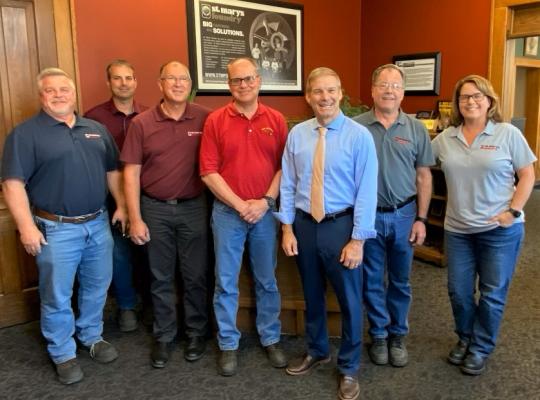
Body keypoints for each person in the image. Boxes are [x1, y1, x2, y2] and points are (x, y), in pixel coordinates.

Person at [0, 68, 126, 385]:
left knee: (97, 287)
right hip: (55, 229)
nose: (58, 95)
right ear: (41, 96)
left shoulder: (95, 129)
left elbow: (112, 172)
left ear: (73, 94)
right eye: (50, 90)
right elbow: (12, 184)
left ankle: (91, 336)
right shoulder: (25, 135)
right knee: (57, 294)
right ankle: (63, 352)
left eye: (64, 89)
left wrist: (122, 205)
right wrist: (27, 227)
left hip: (97, 224)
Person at [277, 67, 378, 400]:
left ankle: (348, 367)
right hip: (305, 226)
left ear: (341, 93)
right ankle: (317, 350)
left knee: (350, 300)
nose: (325, 97)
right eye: (319, 91)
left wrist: (358, 239)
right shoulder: (298, 135)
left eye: (332, 90)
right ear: (308, 96)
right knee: (312, 294)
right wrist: (287, 227)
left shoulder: (358, 136)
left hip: (341, 226)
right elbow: (289, 184)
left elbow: (367, 191)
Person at [432, 75, 536, 375]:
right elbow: (421, 164)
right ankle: (465, 338)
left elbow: (527, 174)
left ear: (490, 101)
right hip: (458, 230)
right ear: (457, 103)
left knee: (492, 294)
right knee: (459, 292)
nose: (471, 101)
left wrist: (513, 212)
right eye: (465, 97)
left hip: (500, 231)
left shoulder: (507, 134)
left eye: (478, 96)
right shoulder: (446, 138)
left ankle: (480, 347)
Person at [200, 57, 288, 377]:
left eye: (248, 79)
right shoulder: (215, 120)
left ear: (259, 81)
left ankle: (271, 338)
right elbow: (208, 172)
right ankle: (227, 343)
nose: (243, 85)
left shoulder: (276, 119)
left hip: (265, 213)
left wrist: (265, 201)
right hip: (228, 213)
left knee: (267, 280)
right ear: (229, 85)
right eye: (237, 80)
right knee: (225, 282)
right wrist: (240, 204)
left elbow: (284, 167)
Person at [121, 61, 211, 368]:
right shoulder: (142, 123)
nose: (177, 83)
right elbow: (130, 174)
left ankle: (196, 333)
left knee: (196, 275)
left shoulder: (204, 117)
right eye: (171, 78)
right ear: (160, 84)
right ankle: (164, 336)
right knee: (160, 278)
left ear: (190, 84)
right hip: (154, 209)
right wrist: (135, 217)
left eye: (183, 78)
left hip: (194, 208)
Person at [353, 64, 434, 367]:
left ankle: (398, 334)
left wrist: (421, 219)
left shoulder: (415, 129)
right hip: (368, 216)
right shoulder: (356, 127)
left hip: (404, 215)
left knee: (400, 280)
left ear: (403, 92)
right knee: (372, 280)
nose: (389, 90)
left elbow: (424, 176)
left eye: (396, 86)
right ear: (372, 90)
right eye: (383, 85)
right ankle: (379, 335)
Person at [85, 59, 148, 332]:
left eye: (129, 78)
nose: (124, 83)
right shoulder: (92, 118)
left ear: (136, 82)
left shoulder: (149, 115)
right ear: (108, 82)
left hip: (146, 194)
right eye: (118, 78)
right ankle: (126, 306)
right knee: (119, 253)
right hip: (110, 198)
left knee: (148, 251)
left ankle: (152, 303)